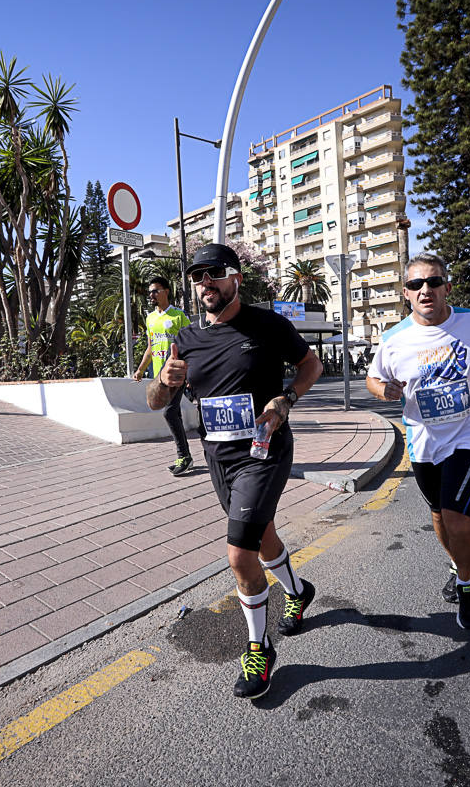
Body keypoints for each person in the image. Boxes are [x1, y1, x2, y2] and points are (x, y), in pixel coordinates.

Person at [147, 243, 323, 699]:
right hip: (218, 459)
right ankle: (298, 592)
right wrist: (162, 384)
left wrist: (287, 398)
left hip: (264, 451)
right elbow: (156, 401)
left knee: (239, 552)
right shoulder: (187, 340)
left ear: (235, 278)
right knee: (261, 537)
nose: (206, 283)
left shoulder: (267, 325)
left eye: (215, 273)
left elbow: (311, 363)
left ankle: (258, 647)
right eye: (197, 276)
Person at [365, 253, 470, 631]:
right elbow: (373, 378)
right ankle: (455, 564)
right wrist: (385, 391)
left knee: (457, 517)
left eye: (432, 282)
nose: (424, 290)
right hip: (424, 441)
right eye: (415, 284)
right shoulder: (394, 339)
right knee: (438, 516)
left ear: (447, 287)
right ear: (406, 294)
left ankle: (465, 585)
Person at [133, 276, 194, 474]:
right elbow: (150, 348)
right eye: (150, 291)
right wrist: (141, 369)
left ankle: (184, 456)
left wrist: (190, 373)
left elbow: (191, 346)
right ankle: (186, 456)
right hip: (159, 377)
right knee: (173, 413)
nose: (151, 294)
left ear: (166, 291)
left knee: (169, 412)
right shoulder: (150, 318)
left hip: (177, 373)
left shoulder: (178, 316)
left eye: (155, 290)